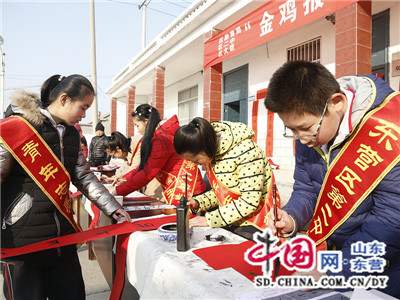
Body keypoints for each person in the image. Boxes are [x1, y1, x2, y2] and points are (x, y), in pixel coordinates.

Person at [264, 61, 400, 296]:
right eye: (291, 130)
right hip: (334, 256)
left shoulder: (388, 131)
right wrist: (292, 216)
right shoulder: (310, 137)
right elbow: (306, 189)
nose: (300, 138)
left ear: (336, 103)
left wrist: (334, 268)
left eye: (304, 128)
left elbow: (391, 219)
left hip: (385, 265)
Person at [0, 74, 131, 300]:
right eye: (83, 107)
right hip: (22, 245)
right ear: (63, 99)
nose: (85, 115)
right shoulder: (17, 128)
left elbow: (84, 177)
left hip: (63, 240)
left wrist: (112, 207)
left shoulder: (71, 134)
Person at [173, 117, 278, 240]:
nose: (195, 164)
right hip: (232, 218)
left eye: (196, 160)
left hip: (258, 222)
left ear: (205, 147)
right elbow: (222, 193)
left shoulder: (245, 151)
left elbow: (250, 201)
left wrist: (211, 219)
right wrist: (198, 202)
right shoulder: (212, 154)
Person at [108, 104, 206, 206]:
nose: (138, 130)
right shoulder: (159, 135)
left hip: (186, 187)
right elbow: (145, 167)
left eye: (137, 125)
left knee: (184, 220)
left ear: (146, 121)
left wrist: (118, 191)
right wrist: (125, 179)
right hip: (181, 183)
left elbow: (148, 172)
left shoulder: (161, 139)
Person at [103, 131, 163, 200]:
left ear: (118, 149)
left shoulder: (139, 146)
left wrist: (121, 178)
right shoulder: (130, 152)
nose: (139, 130)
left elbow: (135, 169)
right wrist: (116, 177)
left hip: (156, 183)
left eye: (114, 155)